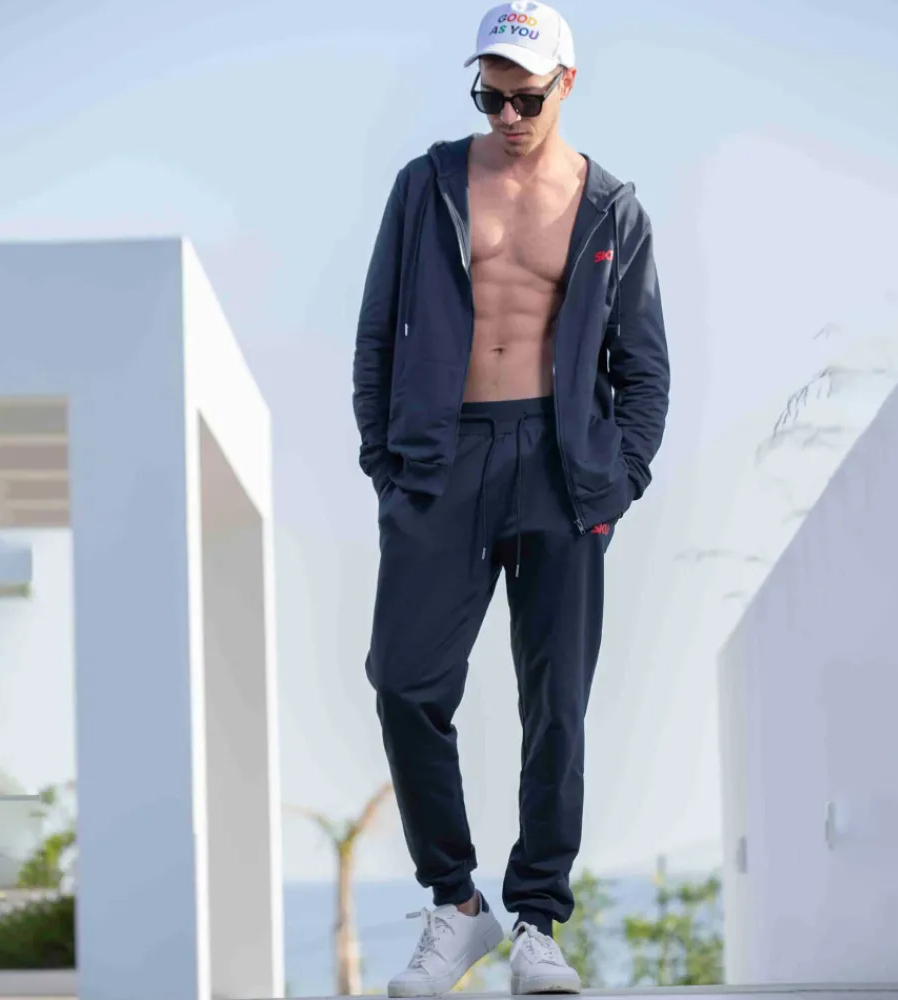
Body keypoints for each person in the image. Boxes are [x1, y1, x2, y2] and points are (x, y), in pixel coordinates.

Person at [352, 1, 670, 994]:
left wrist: (616, 483)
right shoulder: (427, 185)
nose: (506, 116)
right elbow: (375, 337)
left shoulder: (612, 210)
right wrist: (387, 467)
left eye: (525, 98)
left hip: (561, 468)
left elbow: (644, 371)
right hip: (440, 462)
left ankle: (537, 922)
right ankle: (455, 906)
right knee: (405, 682)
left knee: (556, 705)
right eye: (488, 96)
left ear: (565, 85)